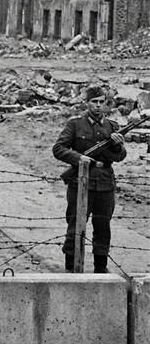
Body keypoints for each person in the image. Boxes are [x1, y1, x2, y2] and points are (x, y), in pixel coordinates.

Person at [52, 85, 127, 273]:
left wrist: (117, 147)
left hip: (105, 182)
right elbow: (58, 148)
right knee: (75, 226)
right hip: (80, 182)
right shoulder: (75, 124)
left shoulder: (112, 126)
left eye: (102, 102)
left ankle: (100, 269)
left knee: (103, 227)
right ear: (87, 103)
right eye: (94, 102)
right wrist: (79, 158)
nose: (98, 105)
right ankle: (72, 267)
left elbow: (120, 157)